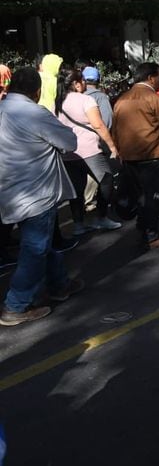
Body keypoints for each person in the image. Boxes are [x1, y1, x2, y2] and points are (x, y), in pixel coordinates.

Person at [0, 68, 84, 326]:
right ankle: (15, 305)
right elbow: (69, 142)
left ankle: (59, 285)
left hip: (9, 189)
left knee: (40, 243)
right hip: (36, 191)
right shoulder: (35, 113)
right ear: (37, 92)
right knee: (35, 248)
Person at [112, 62, 159, 250]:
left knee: (139, 196)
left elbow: (115, 130)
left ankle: (142, 229)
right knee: (151, 197)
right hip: (151, 156)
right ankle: (152, 235)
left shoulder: (122, 100)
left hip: (129, 157)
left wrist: (119, 151)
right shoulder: (155, 99)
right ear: (151, 77)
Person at [54, 68, 121, 236]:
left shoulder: (57, 102)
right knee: (106, 180)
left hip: (69, 152)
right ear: (76, 84)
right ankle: (101, 217)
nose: (85, 83)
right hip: (90, 150)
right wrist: (112, 146)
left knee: (76, 189)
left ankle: (78, 224)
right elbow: (99, 125)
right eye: (82, 81)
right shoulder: (86, 100)